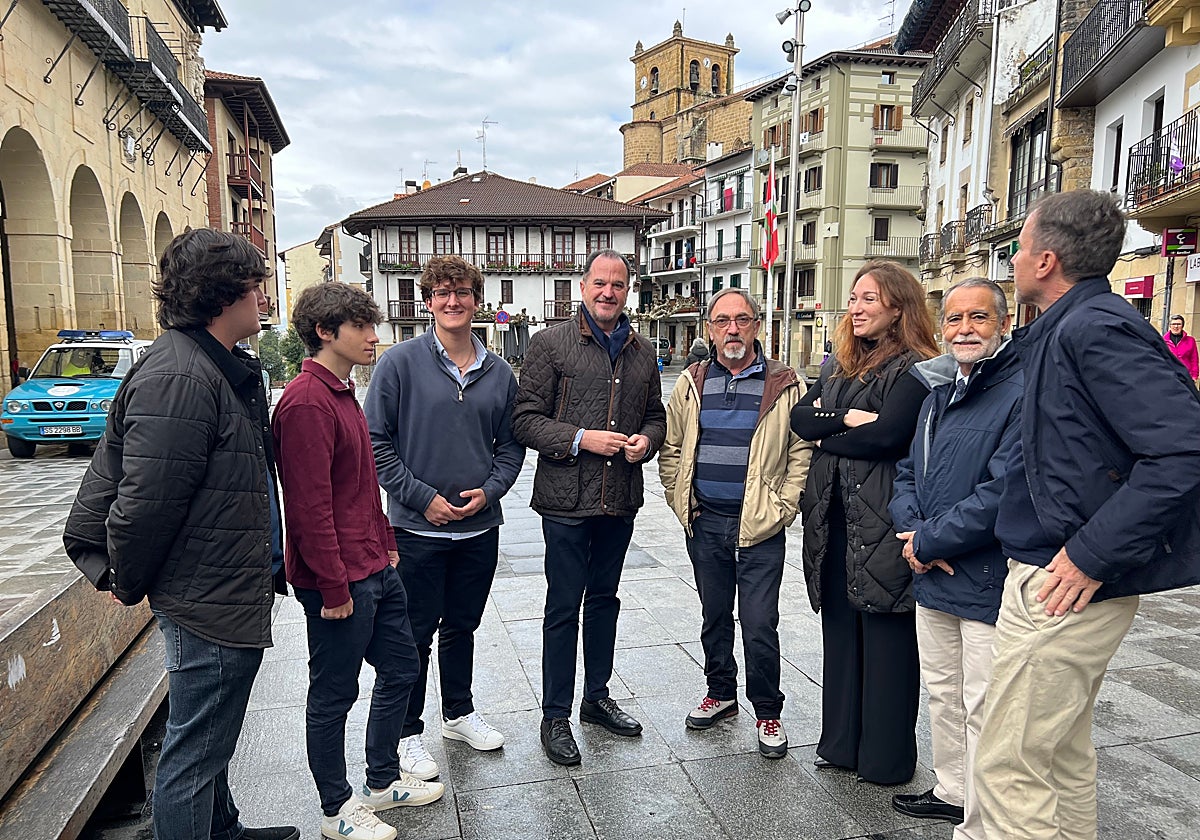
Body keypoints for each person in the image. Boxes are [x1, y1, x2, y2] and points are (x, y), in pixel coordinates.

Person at [975, 190, 1200, 840]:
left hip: (1063, 579)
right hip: (1053, 569)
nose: (1013, 260)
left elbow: (1183, 448)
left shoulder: (1093, 328)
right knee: (1060, 757)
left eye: (1019, 249)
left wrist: (1089, 554)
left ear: (1046, 261)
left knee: (1010, 765)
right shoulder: (1068, 327)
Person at [63, 228, 298, 840]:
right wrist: (128, 580)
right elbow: (145, 504)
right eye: (255, 284)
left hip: (217, 585)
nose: (264, 295)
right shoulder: (182, 377)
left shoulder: (206, 362)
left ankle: (222, 829)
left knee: (211, 737)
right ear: (222, 294)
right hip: (204, 595)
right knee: (193, 754)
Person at [274, 283, 443, 840]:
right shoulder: (305, 402)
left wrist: (386, 542)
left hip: (375, 566)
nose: (374, 336)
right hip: (339, 579)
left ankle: (381, 780)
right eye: (361, 327)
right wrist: (333, 587)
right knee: (333, 694)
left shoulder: (343, 393)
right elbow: (308, 507)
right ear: (326, 332)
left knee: (402, 667)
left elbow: (363, 485)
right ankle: (335, 809)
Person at [365, 256, 525, 781]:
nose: (452, 301)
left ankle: (458, 713)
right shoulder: (399, 364)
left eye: (462, 291)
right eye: (441, 292)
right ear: (428, 301)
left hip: (479, 527)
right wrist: (421, 497)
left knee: (463, 625)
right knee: (414, 632)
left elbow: (511, 447)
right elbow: (376, 443)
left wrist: (492, 491)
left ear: (477, 300)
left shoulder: (499, 373)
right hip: (417, 529)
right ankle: (407, 732)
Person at [512, 248, 667, 767]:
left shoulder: (643, 351)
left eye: (618, 284)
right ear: (582, 287)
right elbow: (525, 419)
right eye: (599, 282)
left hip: (618, 500)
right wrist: (581, 438)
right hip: (565, 503)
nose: (608, 292)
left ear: (628, 291)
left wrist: (647, 440)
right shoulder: (550, 344)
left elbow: (655, 416)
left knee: (604, 602)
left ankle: (596, 698)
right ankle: (555, 714)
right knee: (563, 608)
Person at [789, 259, 940, 785]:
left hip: (881, 519)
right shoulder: (838, 363)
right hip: (833, 518)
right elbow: (800, 418)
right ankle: (841, 745)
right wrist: (848, 421)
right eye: (854, 298)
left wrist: (830, 434)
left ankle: (885, 759)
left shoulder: (916, 367)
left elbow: (889, 436)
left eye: (868, 298)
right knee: (840, 632)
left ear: (899, 307)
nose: (855, 308)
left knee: (886, 637)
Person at [888, 277, 1022, 837]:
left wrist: (929, 542)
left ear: (1004, 324)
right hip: (932, 572)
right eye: (954, 318)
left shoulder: (1019, 393)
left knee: (983, 702)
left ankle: (985, 811)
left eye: (979, 317)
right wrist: (914, 533)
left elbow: (1002, 491)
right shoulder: (937, 396)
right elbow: (906, 474)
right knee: (943, 693)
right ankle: (952, 790)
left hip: (984, 577)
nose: (964, 329)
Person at [658, 288, 812, 758]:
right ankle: (721, 692)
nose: (732, 329)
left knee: (760, 623)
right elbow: (672, 446)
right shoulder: (692, 381)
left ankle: (768, 711)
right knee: (714, 615)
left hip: (760, 528)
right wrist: (679, 497)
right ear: (709, 328)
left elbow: (801, 450)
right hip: (706, 522)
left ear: (757, 326)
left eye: (742, 320)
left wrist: (783, 506)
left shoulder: (785, 383)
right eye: (722, 321)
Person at [1164, 314, 1198, 383]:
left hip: (1185, 376)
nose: (1176, 326)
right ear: (1170, 326)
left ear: (1182, 326)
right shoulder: (1163, 341)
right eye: (1173, 324)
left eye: (1179, 324)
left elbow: (1194, 360)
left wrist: (1194, 376)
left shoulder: (1190, 340)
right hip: (1168, 375)